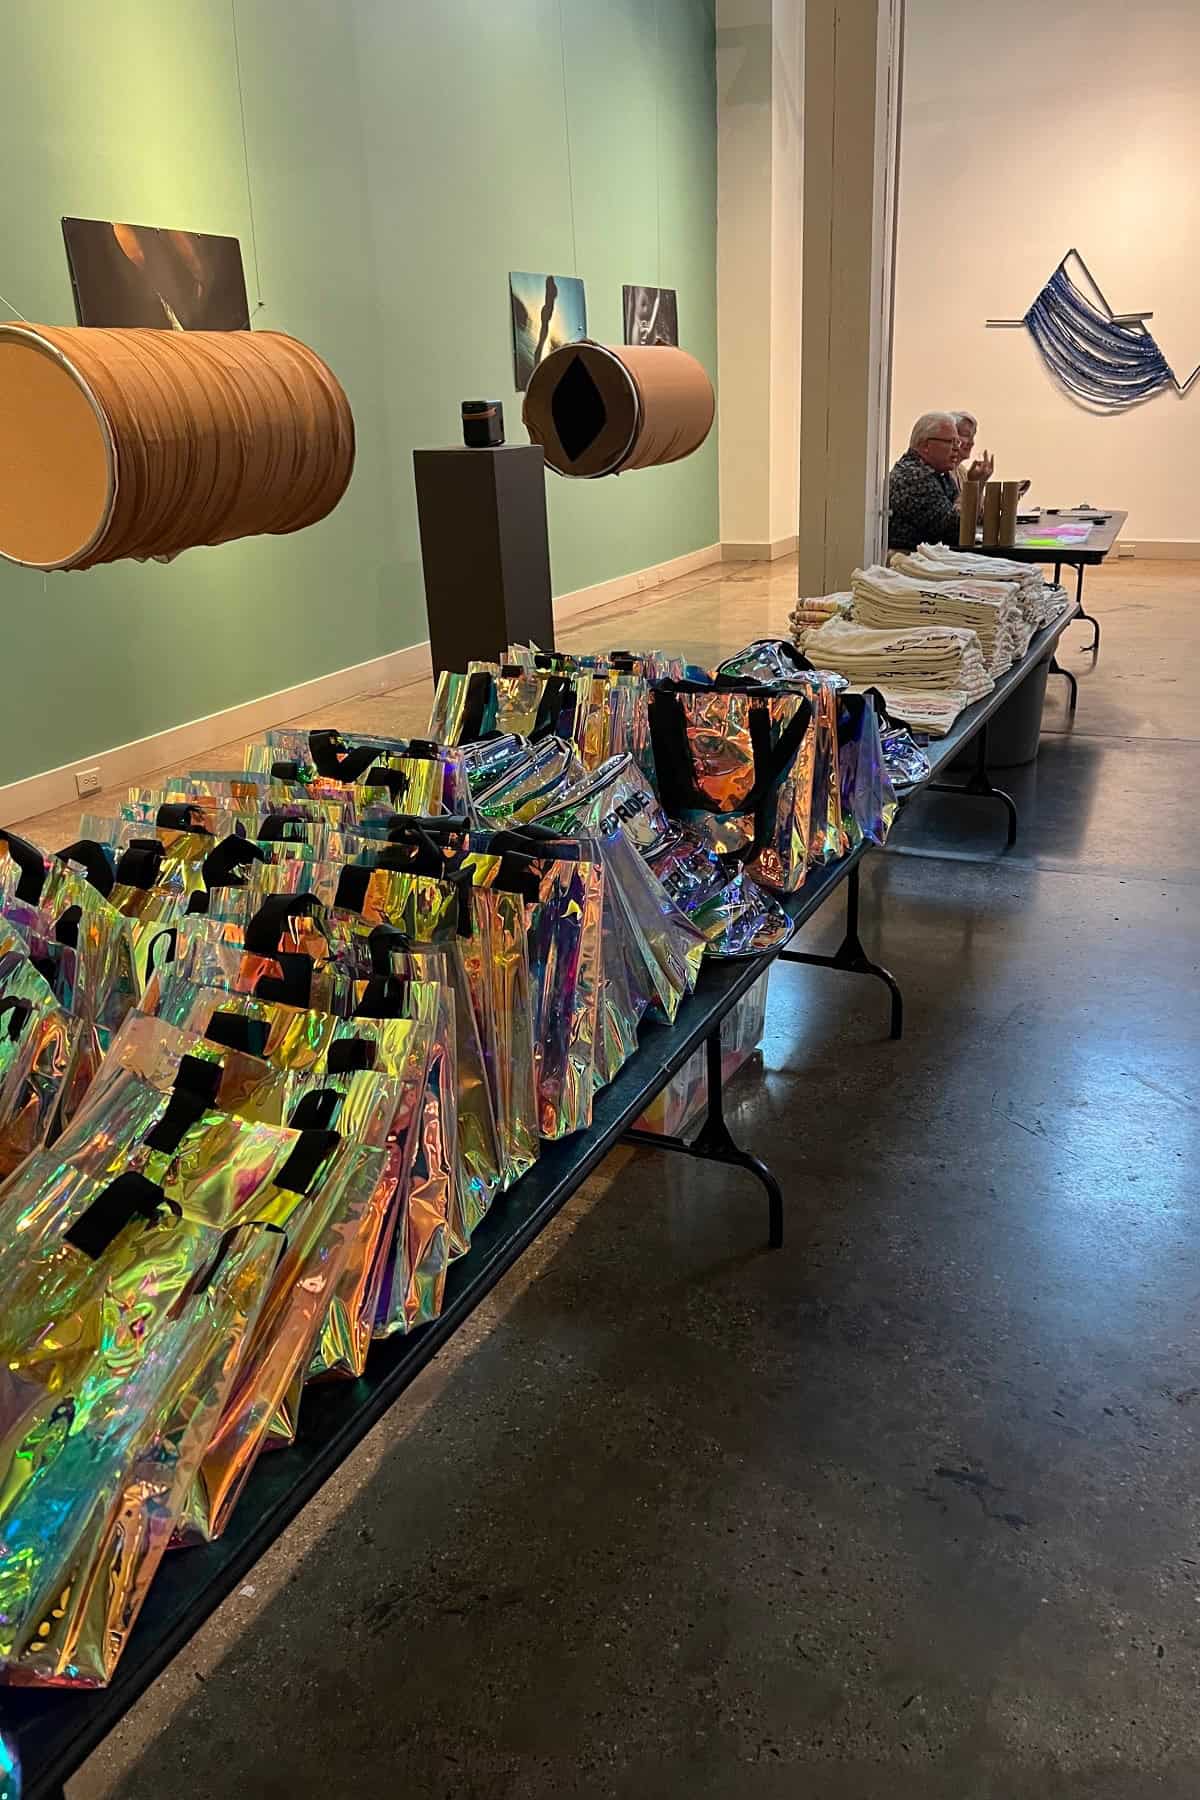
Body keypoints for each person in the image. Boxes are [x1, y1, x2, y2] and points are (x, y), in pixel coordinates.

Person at [887, 411, 992, 552]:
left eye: (957, 442)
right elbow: (958, 530)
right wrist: (973, 485)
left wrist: (976, 485)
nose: (956, 448)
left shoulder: (939, 473)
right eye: (950, 442)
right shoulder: (914, 477)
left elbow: (967, 520)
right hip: (916, 566)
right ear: (926, 445)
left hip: (936, 561)